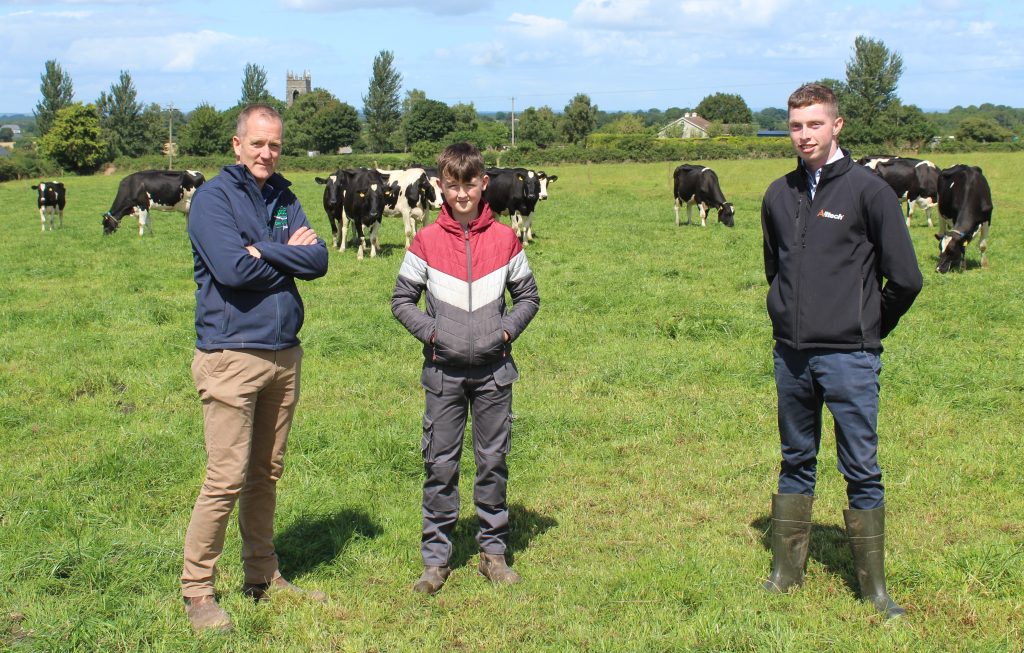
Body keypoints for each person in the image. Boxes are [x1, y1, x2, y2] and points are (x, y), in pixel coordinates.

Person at [759, 84, 922, 620]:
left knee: (862, 468)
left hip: (850, 357)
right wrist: (784, 315)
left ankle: (874, 590)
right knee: (795, 460)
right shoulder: (777, 195)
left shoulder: (870, 192)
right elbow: (775, 270)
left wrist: (867, 327)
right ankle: (786, 574)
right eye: (796, 126)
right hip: (793, 356)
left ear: (837, 126)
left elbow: (905, 278)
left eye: (814, 124)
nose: (804, 135)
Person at [181, 103, 329, 633]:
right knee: (225, 476)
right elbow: (231, 268)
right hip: (230, 356)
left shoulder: (285, 195)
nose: (267, 153)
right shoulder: (212, 201)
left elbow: (319, 260)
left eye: (275, 145)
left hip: (283, 353)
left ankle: (262, 574)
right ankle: (198, 591)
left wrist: (264, 251)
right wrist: (283, 254)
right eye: (258, 143)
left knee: (266, 472)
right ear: (237, 144)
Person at [391, 142, 540, 595]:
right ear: (440, 186)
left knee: (493, 462)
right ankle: (435, 560)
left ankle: (492, 554)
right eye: (452, 185)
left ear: (483, 184)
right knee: (440, 464)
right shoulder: (426, 241)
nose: (461, 193)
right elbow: (401, 301)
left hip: (495, 373)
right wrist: (435, 334)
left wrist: (505, 333)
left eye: (469, 184)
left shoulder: (505, 240)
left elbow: (528, 297)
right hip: (443, 374)